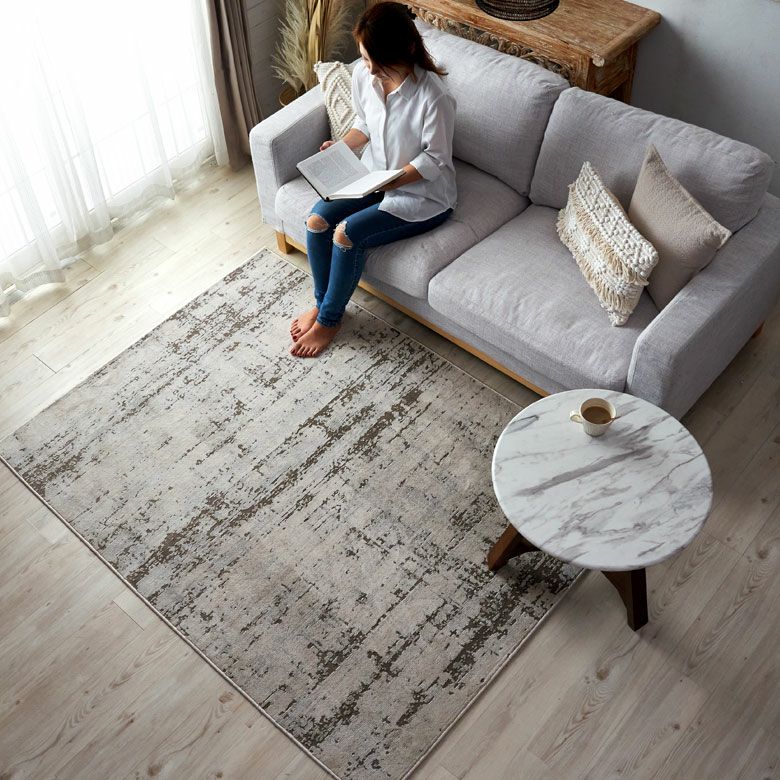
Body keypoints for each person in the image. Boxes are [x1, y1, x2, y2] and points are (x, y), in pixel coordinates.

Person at [289, 1, 457, 357]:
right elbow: (363, 124)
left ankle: (329, 321)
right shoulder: (363, 77)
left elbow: (435, 159)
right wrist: (341, 147)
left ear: (406, 49)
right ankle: (321, 304)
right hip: (372, 177)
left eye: (378, 62)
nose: (370, 69)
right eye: (366, 59)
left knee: (346, 234)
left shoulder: (434, 97)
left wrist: (393, 182)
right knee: (317, 221)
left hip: (423, 196)